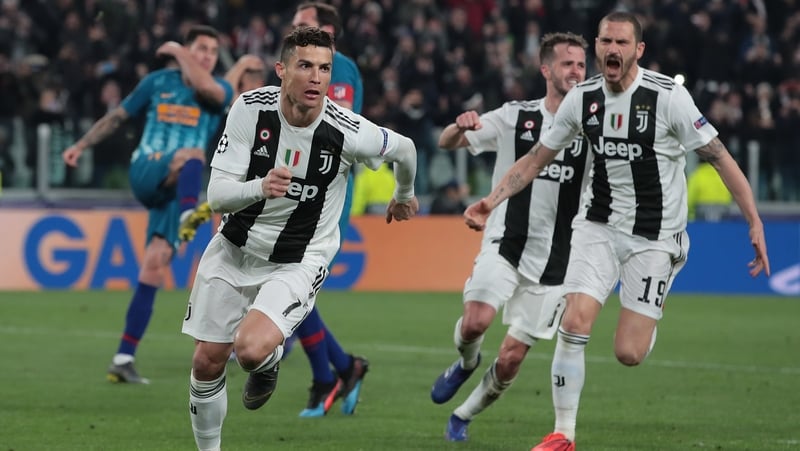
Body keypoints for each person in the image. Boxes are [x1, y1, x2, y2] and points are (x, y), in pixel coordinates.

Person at [462, 12, 771, 451]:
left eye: (622, 42)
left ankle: (650, 312)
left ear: (638, 50)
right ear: (597, 45)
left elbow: (719, 157)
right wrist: (492, 200)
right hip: (598, 226)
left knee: (629, 352)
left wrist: (754, 221)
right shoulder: (583, 99)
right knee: (575, 320)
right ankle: (562, 435)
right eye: (606, 41)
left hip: (656, 237)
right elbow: (536, 159)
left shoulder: (669, 98)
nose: (612, 49)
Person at [182, 26, 418, 451]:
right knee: (205, 361)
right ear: (282, 70)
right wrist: (260, 186)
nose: (316, 77)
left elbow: (406, 149)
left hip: (297, 259)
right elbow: (217, 195)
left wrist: (404, 195)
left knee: (250, 350)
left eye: (324, 68)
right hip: (234, 248)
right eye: (305, 66)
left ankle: (269, 359)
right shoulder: (249, 110)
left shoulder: (346, 130)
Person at [431, 32, 589, 442]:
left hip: (557, 261)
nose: (575, 71)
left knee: (511, 360)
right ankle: (465, 363)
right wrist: (458, 125)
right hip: (506, 243)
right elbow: (448, 142)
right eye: (567, 64)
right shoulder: (516, 116)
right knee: (475, 323)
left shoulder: (594, 127)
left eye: (580, 65)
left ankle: (462, 416)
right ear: (546, 69)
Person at [62, 25, 234, 384]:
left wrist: (177, 49)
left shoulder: (219, 92)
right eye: (200, 48)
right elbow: (117, 118)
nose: (207, 56)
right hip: (147, 169)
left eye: (213, 52)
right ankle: (191, 212)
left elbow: (209, 88)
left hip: (174, 188)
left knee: (154, 266)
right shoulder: (156, 82)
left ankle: (123, 357)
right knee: (190, 154)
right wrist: (81, 145)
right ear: (189, 50)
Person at [288, 1, 370, 419]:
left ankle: (329, 375)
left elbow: (340, 127)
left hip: (326, 197)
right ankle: (342, 368)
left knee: (293, 287)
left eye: (303, 25)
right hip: (292, 192)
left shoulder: (343, 70)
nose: (293, 28)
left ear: (327, 35)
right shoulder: (291, 68)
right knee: (290, 288)